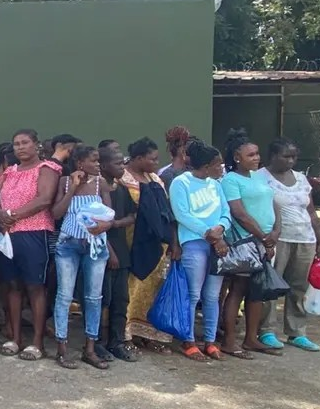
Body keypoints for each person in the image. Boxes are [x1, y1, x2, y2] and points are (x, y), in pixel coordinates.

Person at [0, 129, 59, 361]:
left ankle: (37, 342)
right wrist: (0, 214)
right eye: (16, 144)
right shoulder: (9, 172)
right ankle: (16, 338)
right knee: (12, 285)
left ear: (36, 145)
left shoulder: (46, 169)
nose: (20, 147)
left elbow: (44, 199)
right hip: (7, 235)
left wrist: (14, 215)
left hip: (34, 233)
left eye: (24, 142)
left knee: (35, 286)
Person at [50, 145, 114, 369]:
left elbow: (110, 216)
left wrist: (104, 226)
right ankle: (62, 349)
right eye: (93, 160)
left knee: (94, 297)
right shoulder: (65, 182)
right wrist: (73, 188)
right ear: (80, 163)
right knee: (64, 296)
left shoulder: (101, 183)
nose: (98, 164)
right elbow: (56, 213)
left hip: (95, 245)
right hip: (68, 244)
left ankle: (90, 348)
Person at [219, 130, 282, 359]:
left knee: (256, 291)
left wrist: (275, 231)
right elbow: (238, 212)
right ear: (237, 157)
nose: (257, 158)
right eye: (251, 155)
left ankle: (251, 338)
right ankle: (229, 341)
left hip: (266, 241)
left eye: (257, 154)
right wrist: (263, 237)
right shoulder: (231, 180)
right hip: (245, 242)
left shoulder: (259, 177)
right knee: (238, 289)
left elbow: (274, 204)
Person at [256, 138, 320, 351]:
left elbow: (310, 211)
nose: (291, 161)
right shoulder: (260, 178)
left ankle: (296, 332)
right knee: (271, 285)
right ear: (273, 156)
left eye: (294, 157)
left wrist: (318, 235)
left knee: (298, 287)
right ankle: (266, 330)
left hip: (305, 238)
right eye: (286, 156)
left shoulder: (301, 179)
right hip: (277, 239)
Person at [169, 140, 230, 362]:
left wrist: (221, 228)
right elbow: (182, 214)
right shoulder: (181, 183)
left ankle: (210, 341)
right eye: (218, 164)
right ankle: (188, 340)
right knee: (193, 294)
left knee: (212, 295)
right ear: (206, 166)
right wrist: (208, 233)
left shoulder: (216, 185)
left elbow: (226, 212)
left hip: (217, 244)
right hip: (194, 243)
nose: (221, 168)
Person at [120, 137, 176, 354]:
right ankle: (126, 334)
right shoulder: (123, 178)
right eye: (152, 159)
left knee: (153, 288)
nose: (156, 162)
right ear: (138, 158)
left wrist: (173, 242)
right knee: (130, 288)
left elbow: (166, 212)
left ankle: (147, 333)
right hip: (131, 242)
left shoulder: (155, 179)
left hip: (157, 245)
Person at [99, 146, 138, 362]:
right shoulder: (95, 189)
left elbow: (132, 215)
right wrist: (110, 253)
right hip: (104, 252)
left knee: (120, 300)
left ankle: (116, 342)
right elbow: (94, 225)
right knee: (102, 299)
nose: (122, 167)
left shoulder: (121, 189)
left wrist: (116, 223)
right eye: (117, 164)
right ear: (104, 166)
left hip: (122, 252)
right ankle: (96, 342)